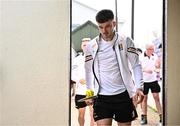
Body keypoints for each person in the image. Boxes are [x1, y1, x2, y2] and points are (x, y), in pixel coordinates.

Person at [84, 9, 144, 126]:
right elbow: (88, 70)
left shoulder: (125, 40)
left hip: (123, 95)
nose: (104, 31)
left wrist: (139, 87)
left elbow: (136, 65)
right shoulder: (91, 45)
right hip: (101, 97)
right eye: (100, 27)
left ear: (114, 24)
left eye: (107, 26)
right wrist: (89, 92)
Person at [72, 38, 95, 126]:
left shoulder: (95, 58)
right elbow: (72, 73)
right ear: (81, 46)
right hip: (80, 91)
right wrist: (78, 80)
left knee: (93, 114)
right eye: (84, 45)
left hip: (91, 91)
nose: (86, 47)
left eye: (88, 45)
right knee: (81, 115)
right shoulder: (77, 60)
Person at [140, 43, 162, 125]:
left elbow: (157, 67)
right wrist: (145, 70)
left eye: (153, 49)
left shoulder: (155, 56)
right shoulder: (141, 57)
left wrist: (157, 67)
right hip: (144, 81)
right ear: (147, 49)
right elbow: (137, 68)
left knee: (157, 98)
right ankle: (144, 117)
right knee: (144, 99)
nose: (153, 51)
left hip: (153, 80)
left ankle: (161, 117)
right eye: (151, 49)